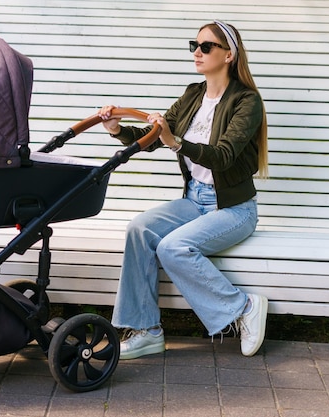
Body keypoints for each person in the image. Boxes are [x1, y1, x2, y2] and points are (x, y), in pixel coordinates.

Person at [98, 20, 269, 359]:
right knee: (139, 228)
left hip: (233, 210)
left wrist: (175, 142)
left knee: (173, 247)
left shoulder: (246, 102)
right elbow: (154, 138)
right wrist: (117, 129)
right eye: (195, 45)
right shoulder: (193, 94)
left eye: (206, 47)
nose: (197, 53)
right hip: (195, 200)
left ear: (229, 54)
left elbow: (222, 156)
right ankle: (146, 330)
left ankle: (244, 306)